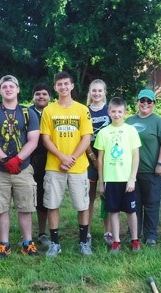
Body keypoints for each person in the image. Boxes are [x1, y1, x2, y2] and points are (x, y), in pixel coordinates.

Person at [0, 75, 40, 258]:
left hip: (23, 168)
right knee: (1, 207)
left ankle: (27, 243)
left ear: (18, 89)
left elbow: (33, 140)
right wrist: (6, 160)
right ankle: (4, 244)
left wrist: (18, 160)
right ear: (0, 91)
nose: (8, 89)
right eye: (4, 87)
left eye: (12, 86)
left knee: (26, 206)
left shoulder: (28, 113)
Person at [40, 71, 93, 256]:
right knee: (53, 204)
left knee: (82, 205)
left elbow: (86, 138)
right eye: (59, 84)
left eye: (66, 84)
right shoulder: (49, 110)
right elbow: (46, 138)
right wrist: (62, 157)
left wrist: (71, 158)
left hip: (78, 166)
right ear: (55, 87)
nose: (63, 87)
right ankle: (55, 243)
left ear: (72, 86)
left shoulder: (82, 109)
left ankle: (83, 241)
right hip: (55, 166)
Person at [95, 97, 142, 253]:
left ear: (125, 112)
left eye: (119, 111)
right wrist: (101, 182)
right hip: (111, 179)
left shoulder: (131, 131)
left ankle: (134, 240)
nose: (116, 114)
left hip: (126, 179)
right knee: (113, 211)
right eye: (113, 111)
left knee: (131, 211)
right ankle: (116, 241)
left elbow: (136, 156)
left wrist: (132, 179)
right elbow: (100, 159)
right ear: (108, 112)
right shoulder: (104, 132)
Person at [125, 89, 161, 246]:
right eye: (142, 100)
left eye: (149, 101)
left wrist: (160, 163)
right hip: (132, 172)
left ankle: (151, 234)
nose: (145, 104)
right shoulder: (128, 121)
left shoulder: (158, 122)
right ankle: (134, 233)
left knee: (151, 203)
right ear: (137, 102)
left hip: (152, 170)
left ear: (153, 104)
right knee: (134, 204)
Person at [84, 79, 112, 245]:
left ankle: (107, 231)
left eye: (100, 91)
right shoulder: (84, 111)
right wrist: (93, 158)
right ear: (90, 92)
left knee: (107, 197)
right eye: (94, 90)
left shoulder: (110, 110)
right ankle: (86, 232)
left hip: (109, 161)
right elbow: (83, 137)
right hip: (89, 160)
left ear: (104, 93)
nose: (97, 94)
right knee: (89, 197)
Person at [27, 83, 52, 247]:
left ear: (49, 96)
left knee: (45, 198)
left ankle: (43, 232)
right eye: (38, 94)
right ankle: (27, 234)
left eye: (44, 94)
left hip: (50, 161)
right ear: (33, 97)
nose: (41, 96)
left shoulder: (55, 112)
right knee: (28, 198)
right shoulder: (26, 113)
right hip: (29, 161)